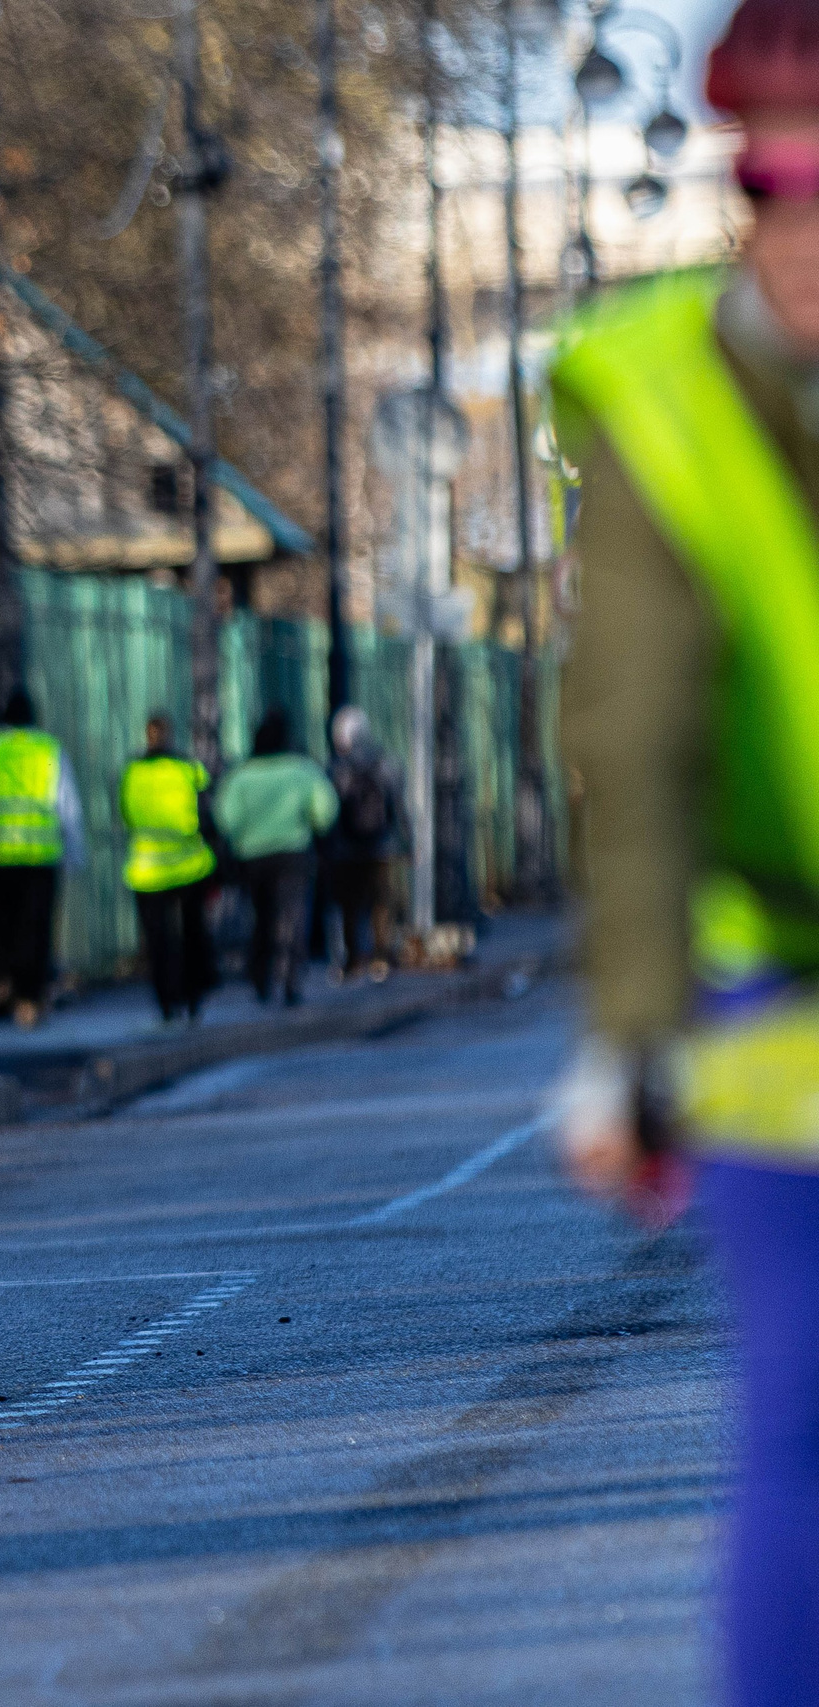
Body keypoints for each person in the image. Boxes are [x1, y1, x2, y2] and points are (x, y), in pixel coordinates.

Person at [548, 11, 819, 1699]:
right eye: (777, 181)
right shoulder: (659, 383)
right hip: (776, 979)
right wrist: (632, 1030)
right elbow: (631, 739)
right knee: (802, 1425)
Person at [0, 690, 84, 1027]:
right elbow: (68, 807)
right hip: (40, 858)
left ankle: (1, 985)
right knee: (36, 931)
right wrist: (76, 854)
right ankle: (29, 1001)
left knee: (0, 928)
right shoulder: (48, 749)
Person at [212, 709, 337, 1007]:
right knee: (294, 917)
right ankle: (292, 979)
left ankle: (260, 979)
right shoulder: (303, 770)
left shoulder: (240, 776)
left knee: (260, 918)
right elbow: (325, 812)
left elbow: (227, 819)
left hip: (252, 858)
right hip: (294, 853)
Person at [119, 712, 217, 1026]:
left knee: (159, 943)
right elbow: (207, 814)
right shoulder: (189, 768)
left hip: (147, 870)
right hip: (189, 867)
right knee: (192, 936)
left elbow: (126, 816)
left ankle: (166, 1004)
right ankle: (192, 1000)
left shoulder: (132, 772)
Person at [325, 704, 402, 982]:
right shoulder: (385, 762)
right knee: (381, 903)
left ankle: (351, 959)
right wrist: (406, 838)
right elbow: (397, 803)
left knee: (348, 904)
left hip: (345, 849)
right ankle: (382, 958)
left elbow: (328, 809)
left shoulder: (335, 768)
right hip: (381, 845)